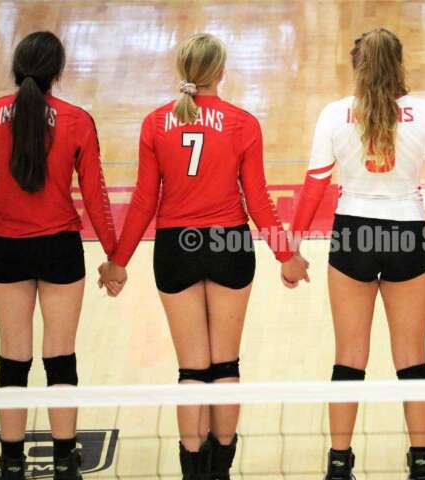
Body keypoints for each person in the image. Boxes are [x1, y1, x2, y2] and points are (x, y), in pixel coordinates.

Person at [97, 33, 309, 480]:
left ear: (184, 72)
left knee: (192, 370)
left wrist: (118, 260)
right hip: (229, 245)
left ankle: (193, 471)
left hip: (176, 249)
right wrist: (286, 255)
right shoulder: (242, 123)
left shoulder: (156, 123)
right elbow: (258, 201)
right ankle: (221, 471)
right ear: (221, 72)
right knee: (226, 365)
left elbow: (142, 203)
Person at [291, 28, 425, 480]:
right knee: (412, 357)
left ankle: (338, 465)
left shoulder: (335, 115)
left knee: (348, 358)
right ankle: (421, 464)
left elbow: (315, 186)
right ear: (399, 66)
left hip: (353, 235)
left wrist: (289, 248)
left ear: (357, 66)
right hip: (406, 236)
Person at [0, 31, 117, 480]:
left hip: (8, 251)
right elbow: (95, 195)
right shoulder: (77, 120)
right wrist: (114, 257)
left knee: (12, 359)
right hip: (60, 250)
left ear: (17, 68)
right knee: (61, 359)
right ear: (58, 72)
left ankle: (11, 462)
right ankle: (63, 459)